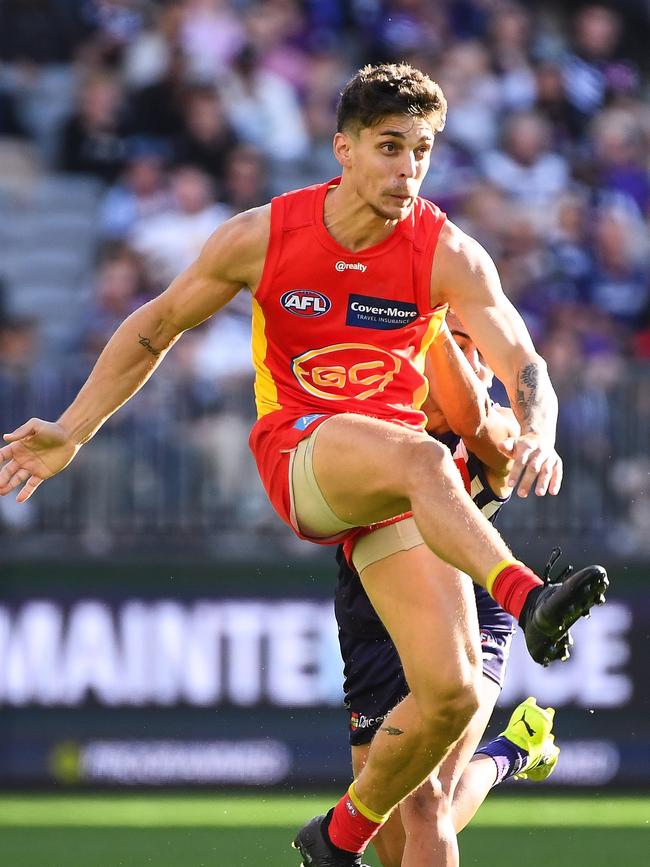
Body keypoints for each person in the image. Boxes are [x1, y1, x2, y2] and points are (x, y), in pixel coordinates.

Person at [0, 63, 607, 867]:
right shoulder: (265, 236)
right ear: (343, 149)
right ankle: (528, 598)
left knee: (454, 695)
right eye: (390, 147)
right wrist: (74, 430)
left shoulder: (443, 249)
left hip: (402, 496)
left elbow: (521, 355)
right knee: (425, 459)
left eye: (422, 151)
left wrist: (538, 431)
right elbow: (156, 324)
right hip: (304, 456)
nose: (407, 169)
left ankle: (337, 836)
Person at [335, 311, 561, 867]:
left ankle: (503, 755)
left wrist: (540, 434)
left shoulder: (496, 431)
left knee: (427, 800)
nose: (472, 361)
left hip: (468, 613)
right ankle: (509, 753)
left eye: (481, 354)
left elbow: (493, 414)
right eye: (458, 345)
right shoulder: (380, 418)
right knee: (389, 834)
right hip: (373, 611)